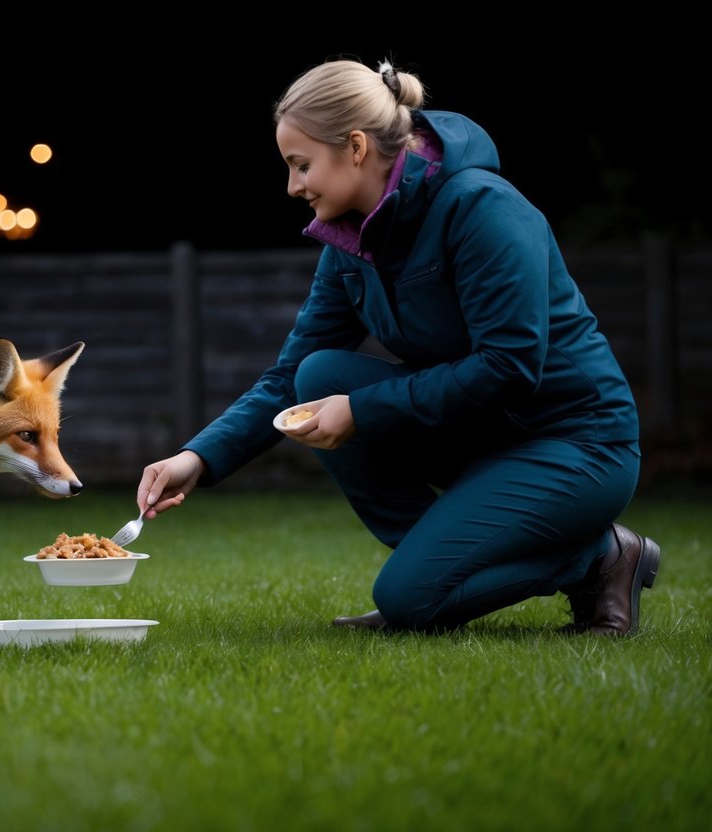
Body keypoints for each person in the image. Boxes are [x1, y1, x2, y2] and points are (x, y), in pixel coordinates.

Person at [135, 57, 660, 636]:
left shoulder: (482, 208)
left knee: (408, 601)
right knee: (316, 379)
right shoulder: (349, 241)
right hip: (482, 433)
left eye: (301, 164)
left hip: (577, 443)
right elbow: (287, 379)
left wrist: (361, 411)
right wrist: (198, 457)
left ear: (355, 147)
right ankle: (438, 567)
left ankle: (601, 556)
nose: (293, 186)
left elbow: (510, 366)